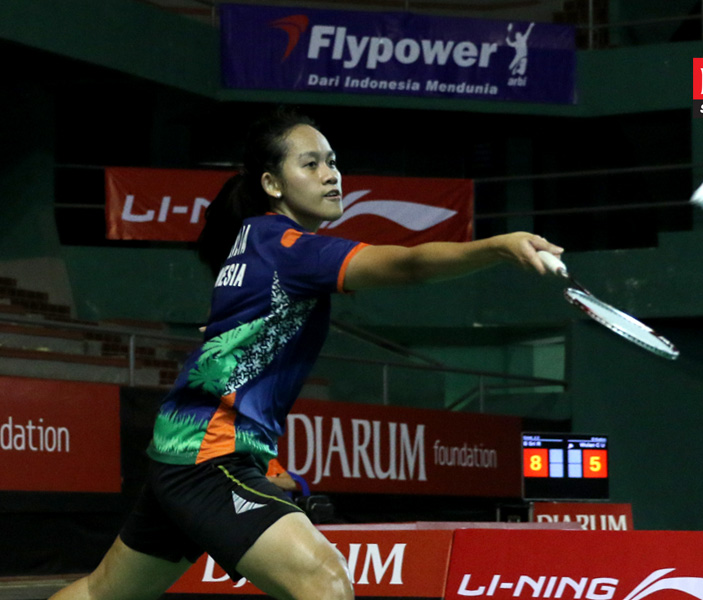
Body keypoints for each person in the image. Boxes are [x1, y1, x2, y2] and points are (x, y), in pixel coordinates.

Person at [50, 107, 563, 600]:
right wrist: (497, 246)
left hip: (185, 447)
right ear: (272, 184)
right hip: (209, 453)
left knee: (103, 591)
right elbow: (408, 266)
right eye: (311, 164)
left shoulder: (252, 241)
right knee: (324, 580)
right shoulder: (289, 249)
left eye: (333, 161)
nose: (331, 174)